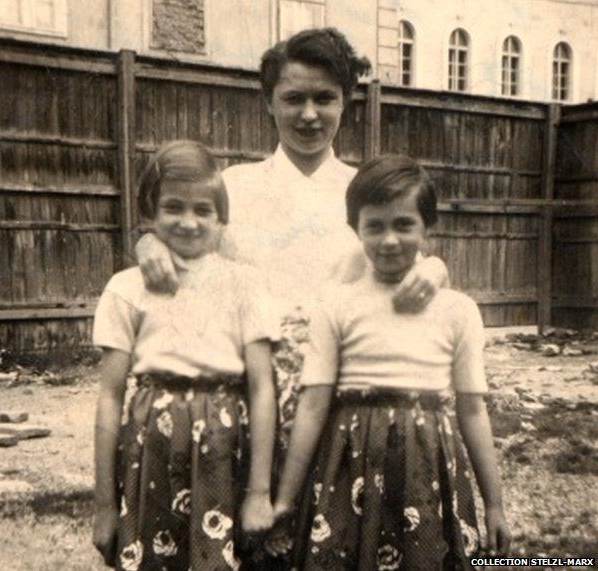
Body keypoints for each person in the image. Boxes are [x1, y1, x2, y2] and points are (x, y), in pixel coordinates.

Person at [135, 28, 450, 455]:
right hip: (246, 391)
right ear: (269, 102)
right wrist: (150, 246)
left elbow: (407, 257)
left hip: (338, 392)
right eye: (292, 99)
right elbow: (182, 244)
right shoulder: (233, 187)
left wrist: (435, 269)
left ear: (345, 102)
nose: (308, 115)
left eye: (324, 98)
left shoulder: (365, 191)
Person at [267, 154, 511, 569]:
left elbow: (472, 411)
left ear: (427, 227)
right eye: (374, 226)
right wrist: (286, 502)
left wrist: (495, 505)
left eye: (404, 225)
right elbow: (312, 405)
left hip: (426, 467)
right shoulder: (337, 307)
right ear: (356, 228)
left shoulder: (458, 310)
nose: (389, 240)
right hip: (347, 465)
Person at [92, 141, 278, 570]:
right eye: (173, 208)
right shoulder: (127, 288)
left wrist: (258, 493)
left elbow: (262, 388)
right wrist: (105, 505)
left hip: (224, 447)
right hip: (151, 448)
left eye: (203, 210)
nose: (189, 222)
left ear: (222, 219)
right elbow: (109, 398)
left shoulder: (246, 285)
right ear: (151, 216)